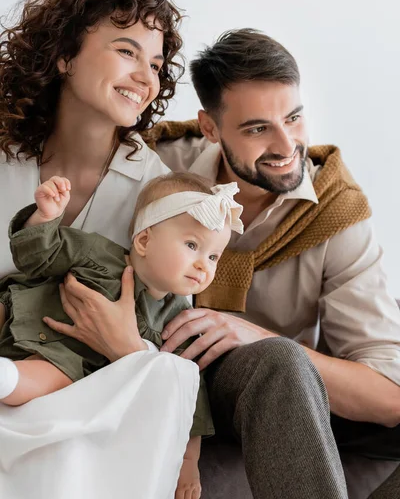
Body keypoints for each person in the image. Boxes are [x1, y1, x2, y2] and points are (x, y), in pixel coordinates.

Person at [57, 29, 400, 499]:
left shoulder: (335, 209)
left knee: (282, 359)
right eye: (258, 128)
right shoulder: (154, 170)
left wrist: (256, 334)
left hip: (290, 399)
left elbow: (389, 394)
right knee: (280, 361)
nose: (286, 146)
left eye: (294, 118)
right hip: (178, 371)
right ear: (211, 128)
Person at [0, 0, 201, 499]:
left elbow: (173, 330)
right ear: (65, 55)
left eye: (155, 65)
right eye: (126, 51)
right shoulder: (4, 158)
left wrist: (123, 345)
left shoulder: (158, 193)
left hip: (91, 388)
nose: (145, 76)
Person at [0, 170, 243, 498]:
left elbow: (187, 392)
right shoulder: (96, 252)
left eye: (213, 256)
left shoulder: (179, 321)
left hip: (65, 361)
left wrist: (188, 461)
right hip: (25, 310)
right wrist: (45, 218)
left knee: (49, 377)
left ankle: (6, 377)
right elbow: (42, 255)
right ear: (144, 241)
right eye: (192, 245)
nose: (205, 266)